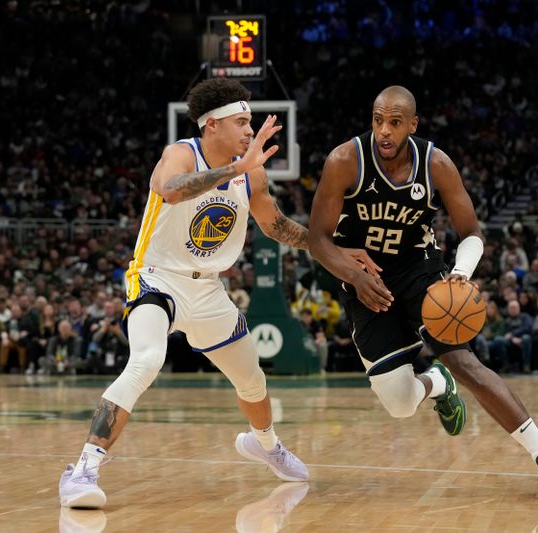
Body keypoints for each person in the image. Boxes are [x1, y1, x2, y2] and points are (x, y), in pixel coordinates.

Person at [59, 78, 377, 509]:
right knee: (147, 359)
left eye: (249, 123)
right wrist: (234, 169)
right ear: (212, 125)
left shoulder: (253, 174)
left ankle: (266, 444)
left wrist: (333, 250)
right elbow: (169, 191)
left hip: (208, 289)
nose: (250, 131)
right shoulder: (180, 153)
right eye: (241, 122)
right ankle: (82, 471)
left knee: (252, 380)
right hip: (156, 278)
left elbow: (277, 226)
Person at [308, 86, 538, 499]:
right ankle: (436, 383)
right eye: (378, 120)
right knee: (398, 403)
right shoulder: (345, 161)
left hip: (420, 271)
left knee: (465, 361)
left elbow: (471, 233)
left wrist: (460, 272)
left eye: (395, 123)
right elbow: (319, 240)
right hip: (363, 277)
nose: (384, 131)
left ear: (413, 125)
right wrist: (355, 276)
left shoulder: (437, 165)